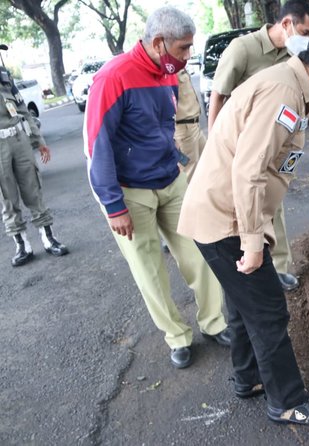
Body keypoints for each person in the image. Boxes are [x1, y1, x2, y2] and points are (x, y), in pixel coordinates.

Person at [178, 29, 309, 426]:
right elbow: (248, 172)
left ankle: (249, 378)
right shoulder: (283, 94)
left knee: (242, 303)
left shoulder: (288, 86)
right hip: (227, 220)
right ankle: (288, 399)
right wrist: (252, 241)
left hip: (218, 214)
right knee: (268, 312)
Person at [84, 7, 230, 370]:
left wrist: (176, 156)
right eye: (183, 48)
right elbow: (96, 145)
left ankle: (213, 322)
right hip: (129, 192)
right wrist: (113, 206)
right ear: (159, 42)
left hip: (170, 179)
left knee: (200, 252)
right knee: (150, 269)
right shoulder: (113, 77)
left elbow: (158, 126)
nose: (188, 56)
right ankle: (177, 336)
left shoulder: (167, 72)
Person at [207, 0, 309, 292]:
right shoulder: (243, 50)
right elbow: (218, 96)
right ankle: (244, 267)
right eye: (305, 31)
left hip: (272, 148)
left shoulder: (292, 56)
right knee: (243, 211)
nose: (308, 39)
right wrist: (214, 148)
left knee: (272, 207)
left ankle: (277, 268)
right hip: (241, 148)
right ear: (286, 24)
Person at [0, 43, 68, 267]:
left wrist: (39, 141)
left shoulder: (4, 77)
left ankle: (48, 238)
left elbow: (23, 111)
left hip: (19, 140)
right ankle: (22, 245)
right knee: (7, 197)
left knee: (33, 188)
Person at [174, 69, 205, 182]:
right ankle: (191, 199)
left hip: (195, 125)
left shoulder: (178, 67)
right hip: (184, 129)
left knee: (207, 163)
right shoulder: (168, 70)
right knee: (190, 174)